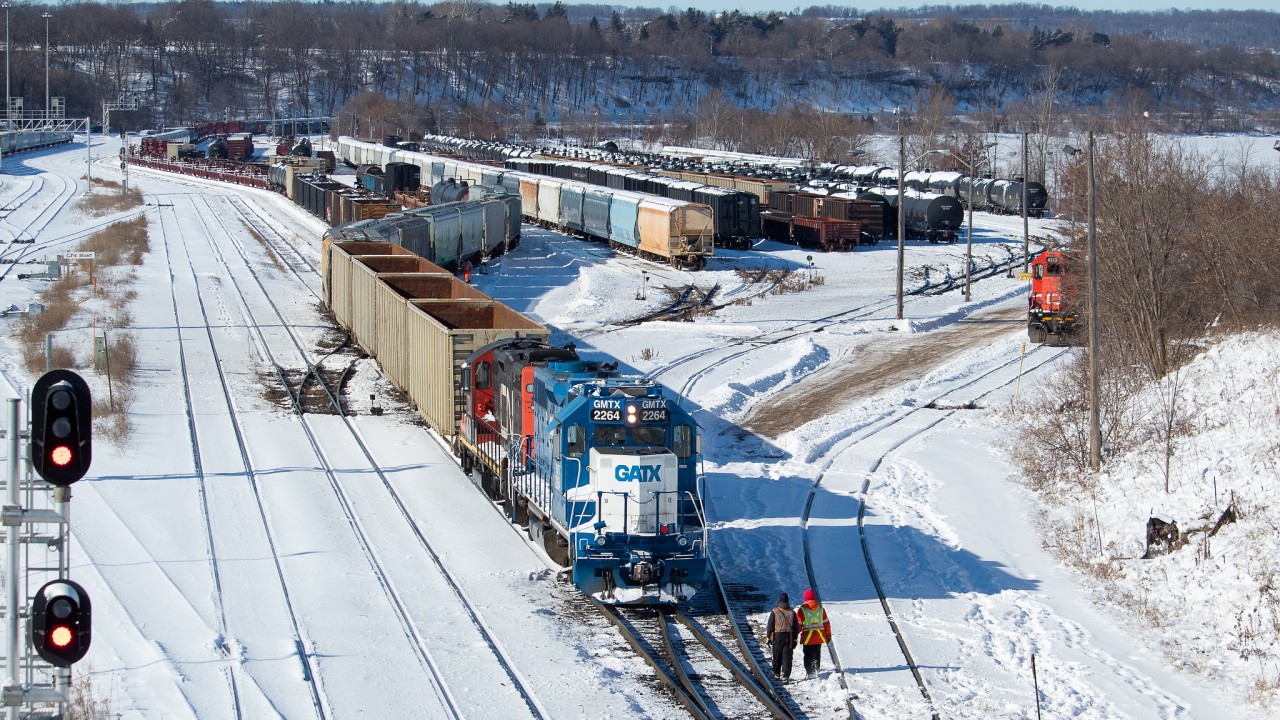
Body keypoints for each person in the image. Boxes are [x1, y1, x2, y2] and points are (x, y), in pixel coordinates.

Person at [795, 588, 831, 679]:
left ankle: (810, 672)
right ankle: (816, 668)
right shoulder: (820, 608)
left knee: (808, 654)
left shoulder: (802, 609)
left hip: (807, 637)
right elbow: (826, 623)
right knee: (817, 653)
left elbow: (798, 624)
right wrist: (828, 635)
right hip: (819, 636)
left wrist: (794, 635)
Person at [765, 592, 797, 681]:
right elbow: (795, 627)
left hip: (777, 636)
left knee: (777, 655)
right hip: (789, 636)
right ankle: (785, 676)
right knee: (787, 657)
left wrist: (768, 637)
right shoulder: (792, 612)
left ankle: (776, 672)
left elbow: (770, 625)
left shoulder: (775, 611)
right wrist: (794, 639)